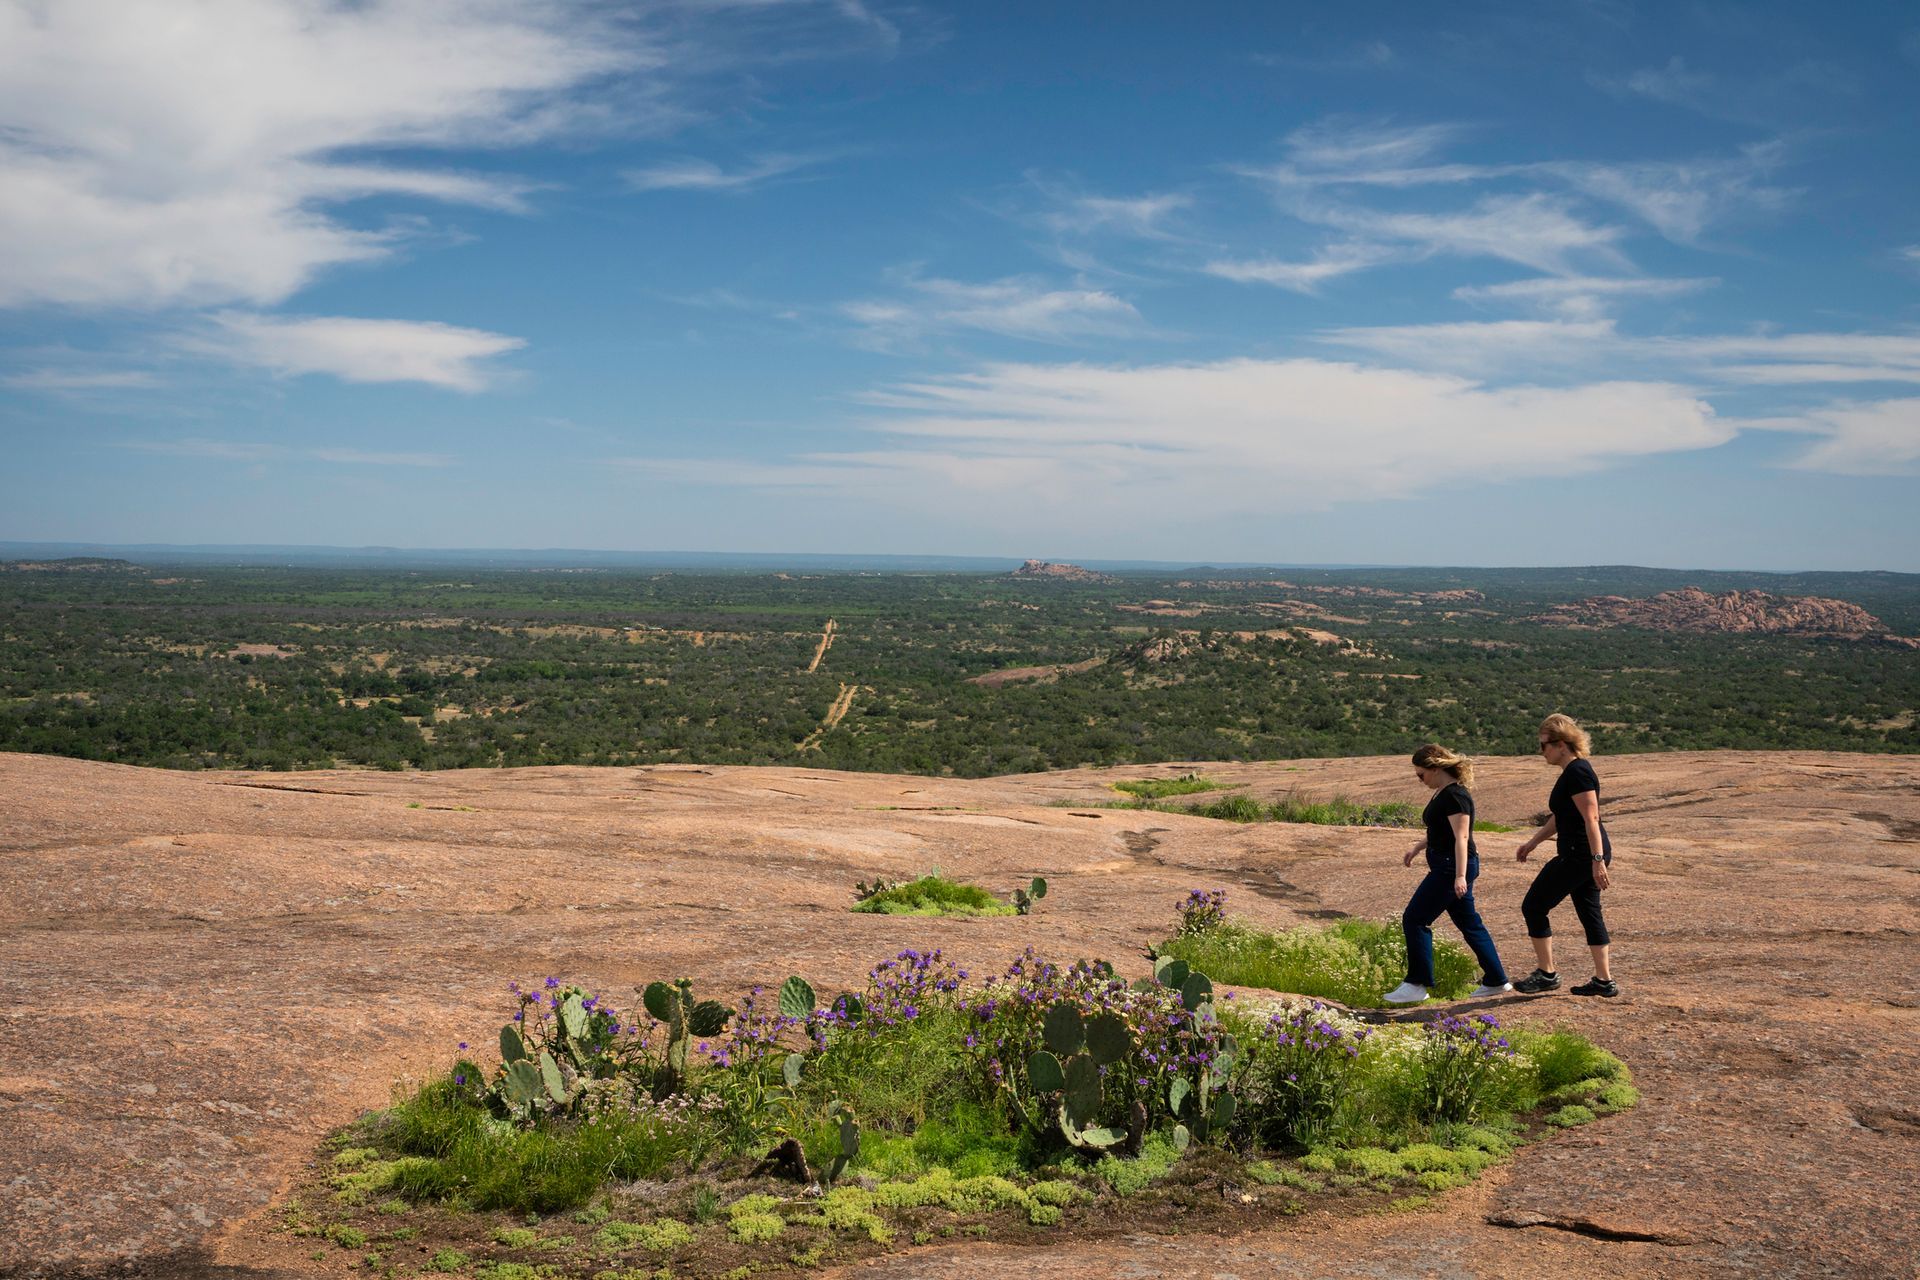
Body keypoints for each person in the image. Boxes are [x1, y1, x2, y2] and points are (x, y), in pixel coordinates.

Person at [1383, 744, 1512, 1005]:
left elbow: (1461, 837)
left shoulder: (1456, 796)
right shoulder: (1442, 792)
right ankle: (1497, 979)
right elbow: (1439, 829)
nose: (1420, 780)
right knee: (1469, 924)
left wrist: (1460, 876)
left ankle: (1416, 984)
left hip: (1451, 868)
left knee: (1415, 919)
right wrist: (1419, 847)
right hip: (1447, 865)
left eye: (1421, 775)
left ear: (1435, 768)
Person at [1513, 713, 1619, 997]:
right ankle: (1603, 981)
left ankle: (1547, 974)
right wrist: (1533, 842)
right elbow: (1561, 817)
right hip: (1583, 854)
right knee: (1589, 912)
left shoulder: (1578, 772)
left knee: (1534, 906)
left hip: (1580, 855)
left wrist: (1597, 861)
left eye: (1544, 744)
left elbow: (1591, 818)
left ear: (1562, 744)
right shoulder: (1572, 773)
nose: (1542, 751)